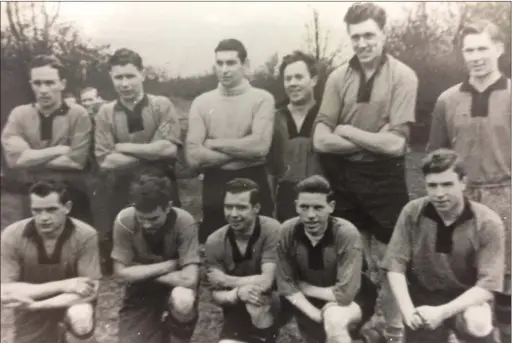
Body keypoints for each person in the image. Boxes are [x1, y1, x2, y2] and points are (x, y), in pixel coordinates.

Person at [312, 3, 418, 341]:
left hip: (386, 179)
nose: (362, 43)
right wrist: (373, 139)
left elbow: (395, 147)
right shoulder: (337, 77)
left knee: (391, 263)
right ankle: (349, 326)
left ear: (384, 35)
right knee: (348, 259)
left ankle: (394, 330)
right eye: (355, 37)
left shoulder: (404, 76)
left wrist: (348, 131)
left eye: (369, 35)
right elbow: (320, 140)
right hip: (343, 180)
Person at [427, 20, 511, 343]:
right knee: (459, 276)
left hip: (504, 197)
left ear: (499, 49)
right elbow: (435, 156)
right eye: (469, 50)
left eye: (482, 49)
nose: (476, 57)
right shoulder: (447, 100)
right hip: (459, 200)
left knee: (504, 279)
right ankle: (467, 334)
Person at [382, 149, 505, 343]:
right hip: (424, 296)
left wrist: (441, 313)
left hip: (467, 298)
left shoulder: (487, 222)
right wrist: (407, 311)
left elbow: (488, 285)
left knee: (478, 323)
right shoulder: (412, 212)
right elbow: (395, 265)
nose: (439, 194)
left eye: (447, 184)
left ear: (463, 183)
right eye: (432, 185)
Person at [95, 48, 183, 273]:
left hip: (162, 183)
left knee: (170, 248)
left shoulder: (161, 105)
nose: (124, 83)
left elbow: (169, 149)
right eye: (118, 77)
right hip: (122, 186)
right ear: (111, 78)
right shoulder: (105, 113)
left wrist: (123, 147)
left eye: (130, 76)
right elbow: (106, 161)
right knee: (124, 254)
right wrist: (151, 153)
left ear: (142, 74)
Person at [186, 38, 275, 243]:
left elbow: (260, 147)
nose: (224, 69)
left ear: (245, 65)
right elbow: (193, 157)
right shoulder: (201, 102)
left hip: (253, 180)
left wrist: (213, 143)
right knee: (218, 247)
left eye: (231, 63)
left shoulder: (262, 98)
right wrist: (244, 150)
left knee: (259, 246)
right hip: (215, 184)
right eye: (220, 63)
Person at [276, 175, 376, 343]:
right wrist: (316, 315)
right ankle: (368, 338)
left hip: (353, 297)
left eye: (318, 208)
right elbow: (286, 285)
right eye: (304, 207)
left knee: (335, 322)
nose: (311, 215)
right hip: (308, 303)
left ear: (331, 207)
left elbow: (345, 294)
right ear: (296, 207)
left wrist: (305, 288)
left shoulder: (346, 232)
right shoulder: (288, 230)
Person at [1, 180, 101, 343]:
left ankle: (74, 336)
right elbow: (4, 291)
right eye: (37, 210)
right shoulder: (12, 235)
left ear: (67, 208)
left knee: (81, 316)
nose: (44, 217)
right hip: (29, 311)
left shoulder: (85, 234)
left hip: (63, 302)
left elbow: (90, 290)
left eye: (51, 209)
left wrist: (39, 305)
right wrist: (65, 284)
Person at [1, 55, 93, 224]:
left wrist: (30, 157)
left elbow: (76, 161)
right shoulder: (19, 114)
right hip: (32, 195)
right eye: (38, 83)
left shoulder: (78, 114)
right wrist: (60, 149)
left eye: (50, 83)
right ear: (31, 85)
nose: (43, 90)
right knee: (32, 245)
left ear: (62, 84)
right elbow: (14, 161)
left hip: (71, 194)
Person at [111, 172, 200, 343]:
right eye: (141, 218)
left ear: (168, 207)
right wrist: (170, 265)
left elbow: (189, 280)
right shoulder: (124, 220)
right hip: (143, 289)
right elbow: (120, 273)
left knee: (183, 299)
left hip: (174, 285)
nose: (146, 224)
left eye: (153, 219)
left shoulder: (185, 222)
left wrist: (138, 271)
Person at [205, 178, 283, 343]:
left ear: (256, 208)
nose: (233, 214)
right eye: (228, 207)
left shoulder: (272, 230)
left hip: (273, 302)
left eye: (241, 207)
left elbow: (266, 281)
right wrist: (237, 293)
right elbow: (216, 294)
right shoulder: (215, 241)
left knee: (256, 297)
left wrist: (227, 280)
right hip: (237, 305)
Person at [268, 51, 323, 222]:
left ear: (313, 80)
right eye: (288, 78)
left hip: (323, 198)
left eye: (299, 77)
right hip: (287, 201)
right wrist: (270, 207)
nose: (293, 83)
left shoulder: (327, 114)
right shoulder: (274, 118)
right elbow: (270, 170)